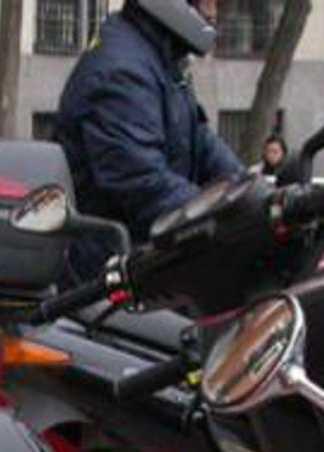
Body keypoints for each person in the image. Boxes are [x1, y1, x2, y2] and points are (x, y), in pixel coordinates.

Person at [56, 0, 244, 282]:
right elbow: (142, 183)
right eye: (209, 2)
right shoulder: (122, 71)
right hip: (112, 270)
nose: (215, 12)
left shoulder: (157, 56)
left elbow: (200, 140)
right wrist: (220, 214)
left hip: (146, 256)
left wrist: (249, 188)